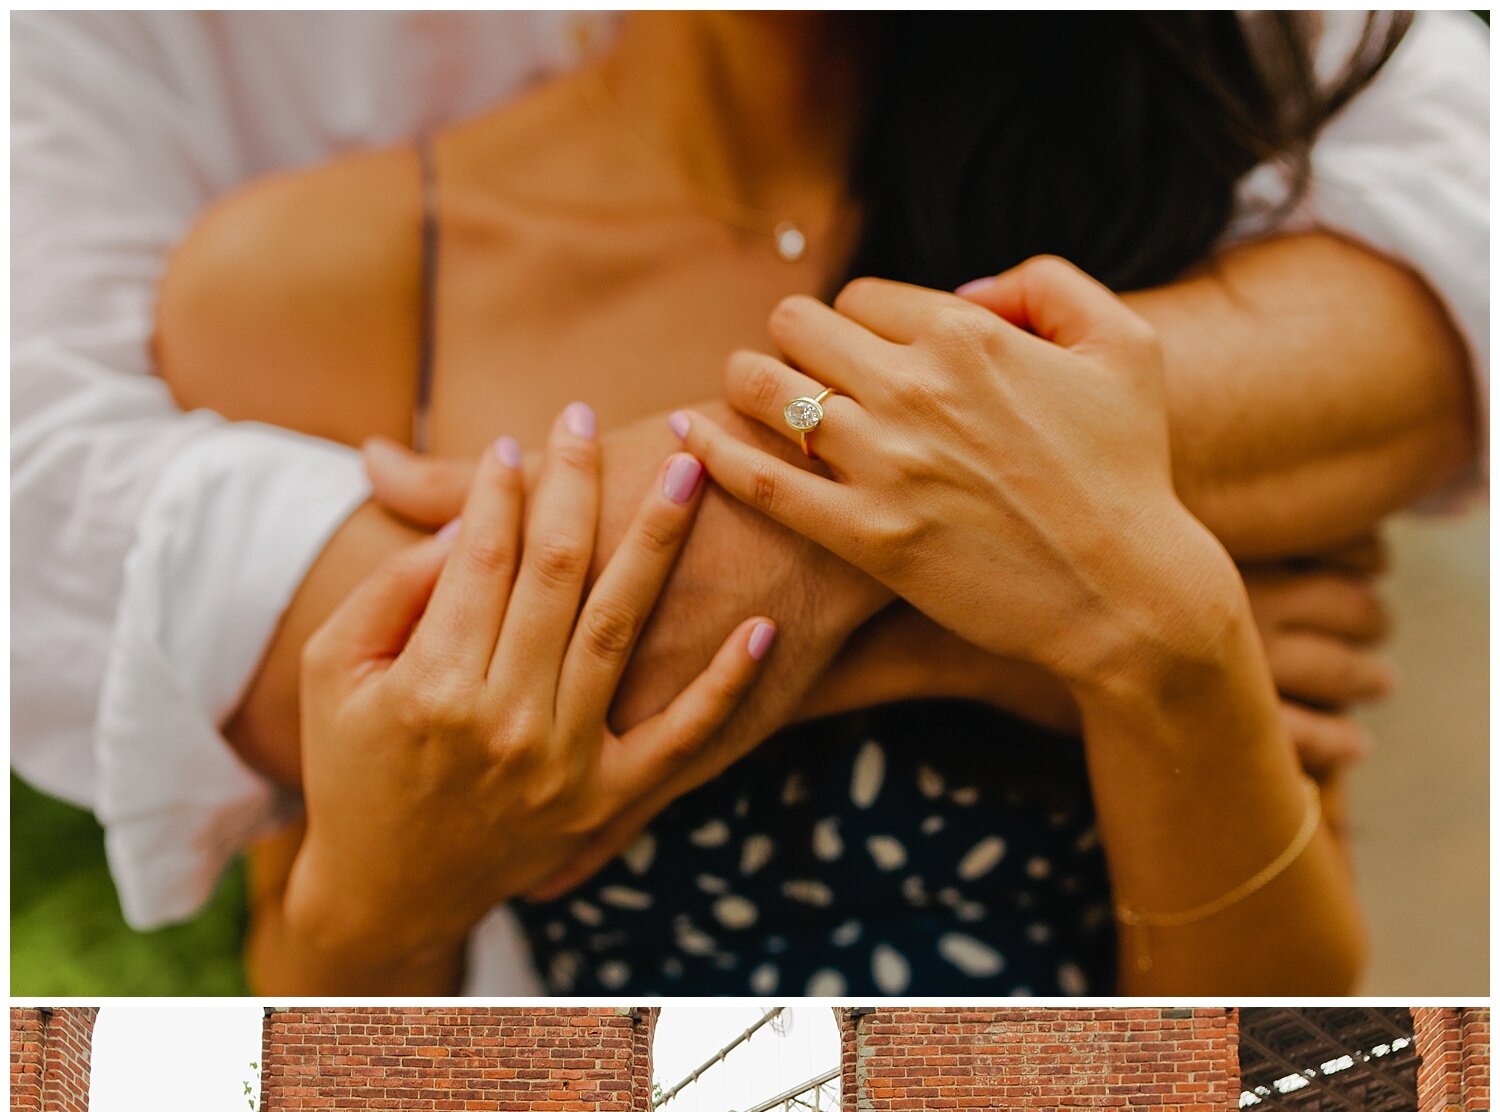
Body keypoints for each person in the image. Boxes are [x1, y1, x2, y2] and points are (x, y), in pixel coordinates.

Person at [17, 12, 1485, 990]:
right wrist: (957, 634)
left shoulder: (1134, 210)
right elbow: (330, 1042)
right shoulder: (311, 286)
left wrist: (1170, 656)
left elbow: (1266, 1042)